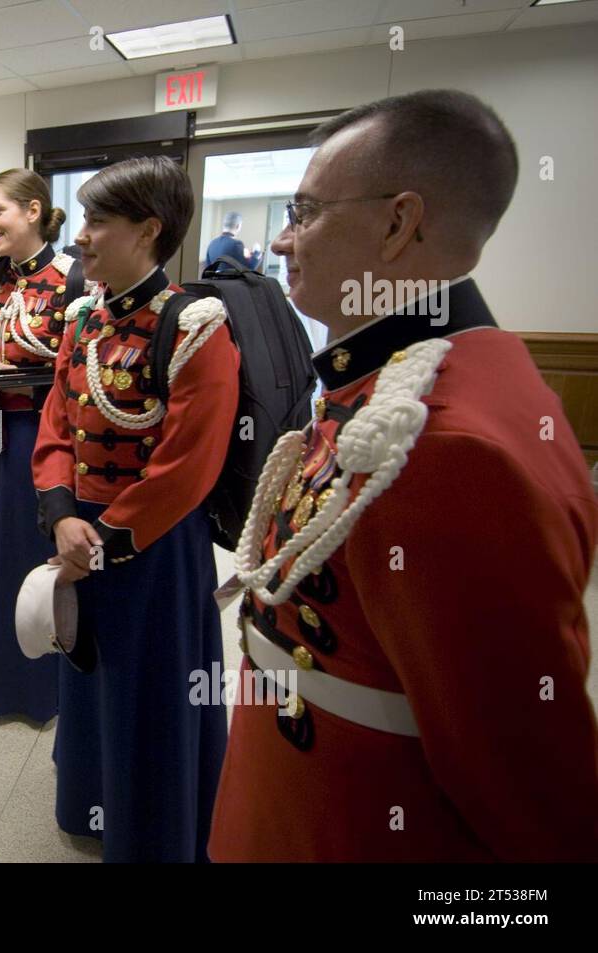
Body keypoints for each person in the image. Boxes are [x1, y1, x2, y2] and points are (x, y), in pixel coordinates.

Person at [209, 89, 598, 861]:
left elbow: (527, 791)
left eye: (306, 211)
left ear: (398, 223)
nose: (283, 242)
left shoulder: (451, 448)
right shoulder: (412, 374)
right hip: (287, 795)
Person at [32, 156, 237, 861]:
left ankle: (153, 829)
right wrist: (61, 513)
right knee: (88, 673)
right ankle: (92, 802)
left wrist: (107, 539)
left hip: (152, 546)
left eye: (96, 221)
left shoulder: (195, 324)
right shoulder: (85, 314)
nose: (79, 236)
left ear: (148, 230)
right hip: (76, 531)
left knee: (150, 691)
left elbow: (190, 463)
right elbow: (57, 420)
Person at [0, 169, 71, 722]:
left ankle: (33, 686)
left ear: (32, 211)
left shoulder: (72, 278)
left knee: (29, 550)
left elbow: (74, 373)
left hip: (41, 431)